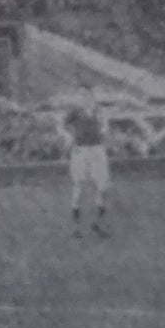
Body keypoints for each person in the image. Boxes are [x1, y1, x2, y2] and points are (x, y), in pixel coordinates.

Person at [62, 100, 111, 238]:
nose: (84, 97)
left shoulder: (98, 111)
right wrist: (70, 136)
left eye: (87, 94)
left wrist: (104, 133)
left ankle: (98, 223)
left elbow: (106, 126)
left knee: (103, 186)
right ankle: (76, 228)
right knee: (79, 186)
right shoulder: (74, 111)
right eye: (82, 94)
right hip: (80, 150)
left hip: (97, 149)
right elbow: (62, 125)